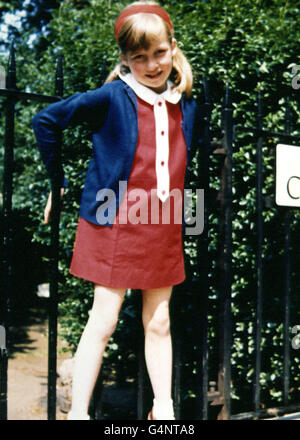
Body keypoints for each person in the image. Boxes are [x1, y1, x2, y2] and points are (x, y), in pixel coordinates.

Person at [32, 1, 204, 420]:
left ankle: (163, 411)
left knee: (159, 320)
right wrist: (58, 184)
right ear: (125, 59)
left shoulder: (188, 104)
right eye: (139, 57)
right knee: (104, 320)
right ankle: (78, 415)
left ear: (173, 48)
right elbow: (46, 121)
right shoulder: (113, 96)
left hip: (161, 223)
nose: (151, 64)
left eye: (159, 53)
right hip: (113, 223)